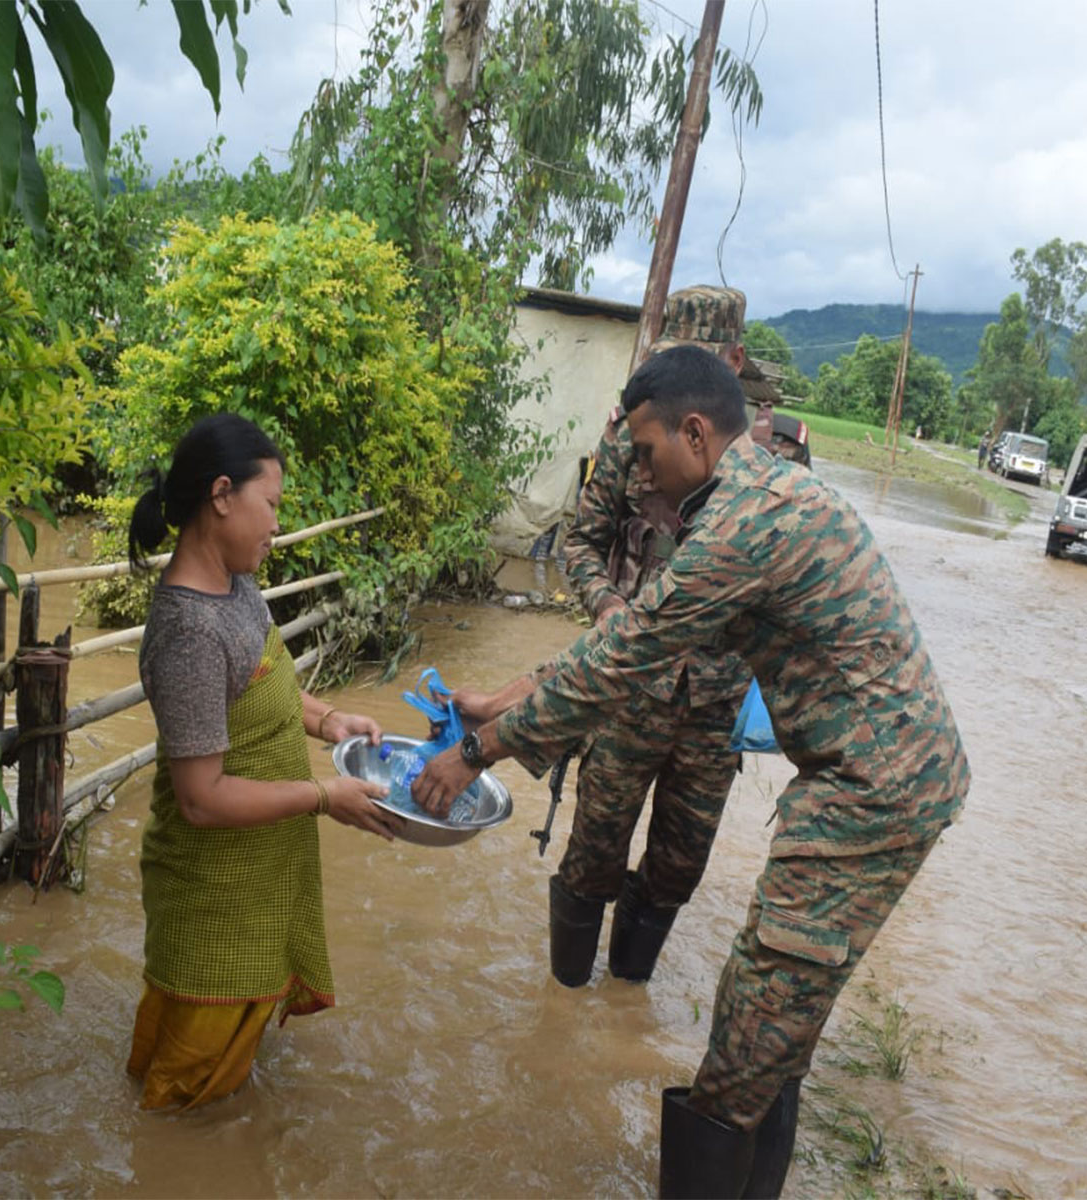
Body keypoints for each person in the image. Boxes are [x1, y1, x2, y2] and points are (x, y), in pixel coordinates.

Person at [413, 346, 970, 1198]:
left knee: (746, 1035)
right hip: (880, 781)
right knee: (776, 1028)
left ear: (697, 433)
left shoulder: (742, 526)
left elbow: (624, 656)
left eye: (646, 451)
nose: (639, 471)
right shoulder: (764, 497)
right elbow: (629, 641)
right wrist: (505, 698)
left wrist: (475, 753)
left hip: (866, 793)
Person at [451, 288, 755, 990]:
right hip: (625, 692)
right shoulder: (631, 438)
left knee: (679, 864)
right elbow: (580, 543)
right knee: (594, 850)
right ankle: (565, 1007)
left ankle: (627, 994)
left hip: (713, 707)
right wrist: (610, 606)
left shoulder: (774, 466)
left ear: (734, 362)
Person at [125, 412, 397, 1113]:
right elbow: (202, 798)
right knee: (184, 1110)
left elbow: (265, 686)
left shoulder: (237, 587)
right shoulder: (188, 629)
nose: (276, 523)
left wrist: (330, 719)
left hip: (254, 880)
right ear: (222, 495)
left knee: (223, 1092)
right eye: (270, 504)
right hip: (213, 897)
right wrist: (322, 797)